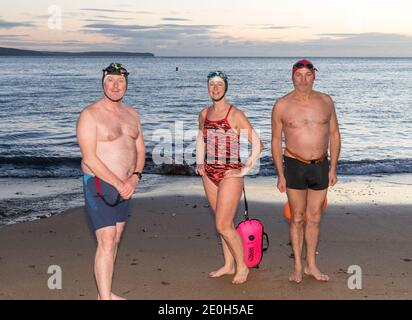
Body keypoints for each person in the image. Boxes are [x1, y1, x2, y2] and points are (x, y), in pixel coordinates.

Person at [76, 63, 145, 299]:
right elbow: (90, 158)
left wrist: (134, 178)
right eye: (110, 81)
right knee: (106, 240)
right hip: (99, 184)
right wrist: (119, 183)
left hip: (126, 186)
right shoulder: (90, 115)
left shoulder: (132, 114)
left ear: (126, 84)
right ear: (103, 82)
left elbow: (140, 149)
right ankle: (105, 298)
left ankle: (104, 292)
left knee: (114, 240)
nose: (116, 86)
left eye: (121, 81)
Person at [271, 59, 341, 283]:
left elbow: (335, 135)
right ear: (292, 77)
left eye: (307, 75)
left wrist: (333, 168)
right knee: (298, 217)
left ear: (314, 76)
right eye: (298, 75)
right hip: (294, 165)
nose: (303, 79)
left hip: (320, 165)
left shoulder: (326, 101)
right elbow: (275, 140)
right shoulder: (282, 105)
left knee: (315, 217)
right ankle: (298, 267)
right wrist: (280, 174)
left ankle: (311, 265)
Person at [196, 71, 263, 284]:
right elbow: (201, 137)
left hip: (229, 173)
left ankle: (242, 266)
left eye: (219, 84)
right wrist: (199, 162)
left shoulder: (234, 114)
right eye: (211, 84)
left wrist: (243, 170)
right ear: (208, 87)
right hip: (209, 173)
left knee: (223, 224)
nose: (215, 88)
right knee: (221, 222)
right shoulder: (204, 114)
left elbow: (257, 144)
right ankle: (228, 264)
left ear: (225, 87)